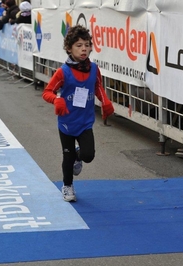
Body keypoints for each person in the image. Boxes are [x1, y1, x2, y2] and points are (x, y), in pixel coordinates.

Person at [42, 25, 114, 202]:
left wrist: (105, 101)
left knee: (88, 155)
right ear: (69, 48)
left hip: (85, 121)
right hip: (67, 122)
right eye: (79, 45)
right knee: (67, 157)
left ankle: (78, 155)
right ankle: (67, 186)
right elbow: (47, 92)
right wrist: (56, 100)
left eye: (87, 45)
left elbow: (97, 86)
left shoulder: (94, 69)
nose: (84, 49)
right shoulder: (63, 72)